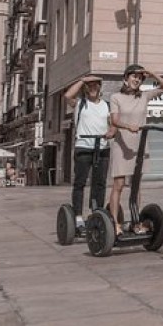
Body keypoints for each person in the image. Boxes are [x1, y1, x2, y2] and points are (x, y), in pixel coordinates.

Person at [108, 64, 163, 235]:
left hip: (140, 145)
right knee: (118, 185)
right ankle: (115, 224)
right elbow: (114, 120)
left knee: (136, 186)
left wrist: (151, 73)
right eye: (133, 76)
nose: (136, 79)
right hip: (122, 145)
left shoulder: (144, 96)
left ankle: (136, 222)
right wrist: (129, 126)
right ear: (125, 78)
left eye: (139, 77)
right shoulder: (116, 97)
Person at [64, 75, 115, 232]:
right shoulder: (80, 103)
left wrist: (112, 132)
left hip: (102, 147)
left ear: (100, 87)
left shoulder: (106, 105)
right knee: (80, 182)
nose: (92, 88)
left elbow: (113, 125)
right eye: (89, 86)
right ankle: (78, 216)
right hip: (83, 147)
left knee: (99, 183)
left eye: (95, 85)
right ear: (85, 88)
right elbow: (67, 95)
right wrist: (82, 80)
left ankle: (97, 212)